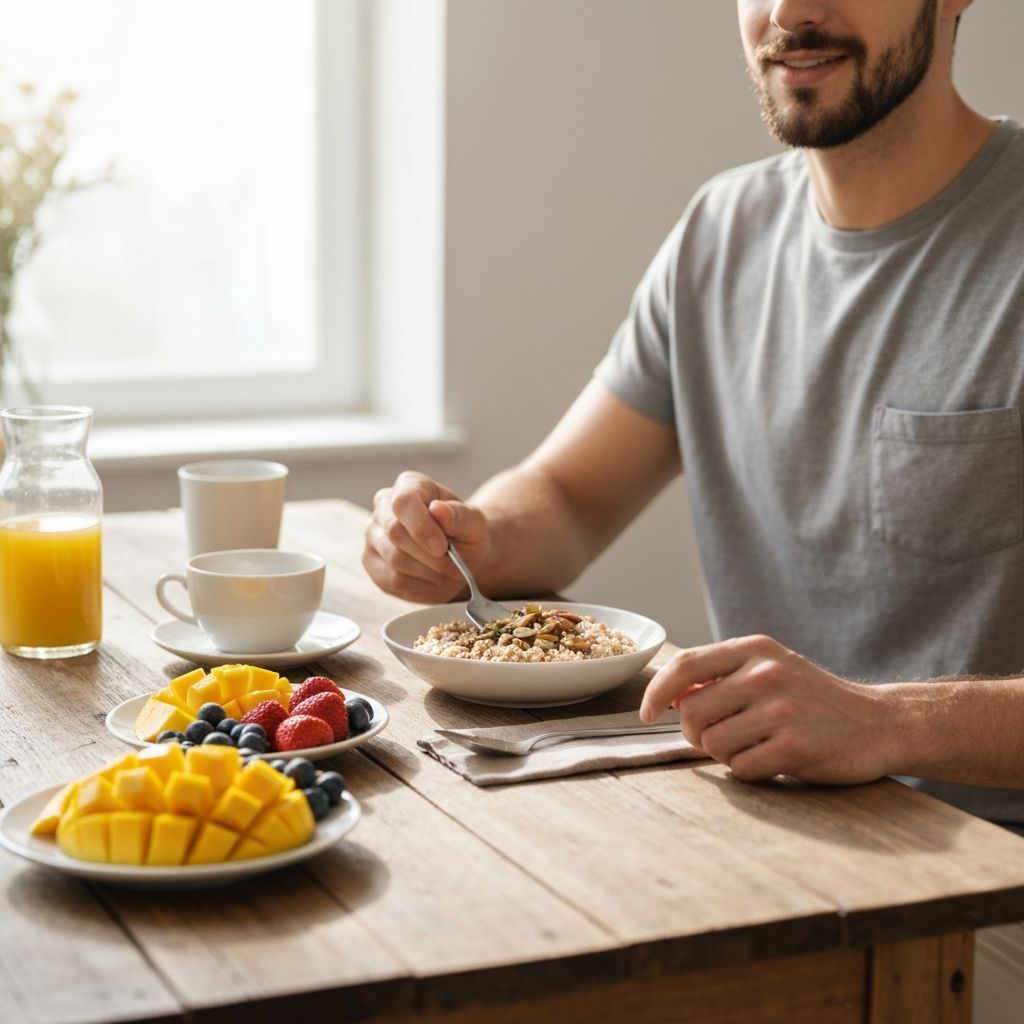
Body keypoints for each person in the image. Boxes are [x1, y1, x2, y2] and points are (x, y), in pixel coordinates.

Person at [364, 3, 1024, 1014]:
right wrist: (474, 534)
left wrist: (888, 723)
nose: (791, 7)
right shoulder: (720, 230)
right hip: (751, 847)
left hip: (983, 897)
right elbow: (569, 496)